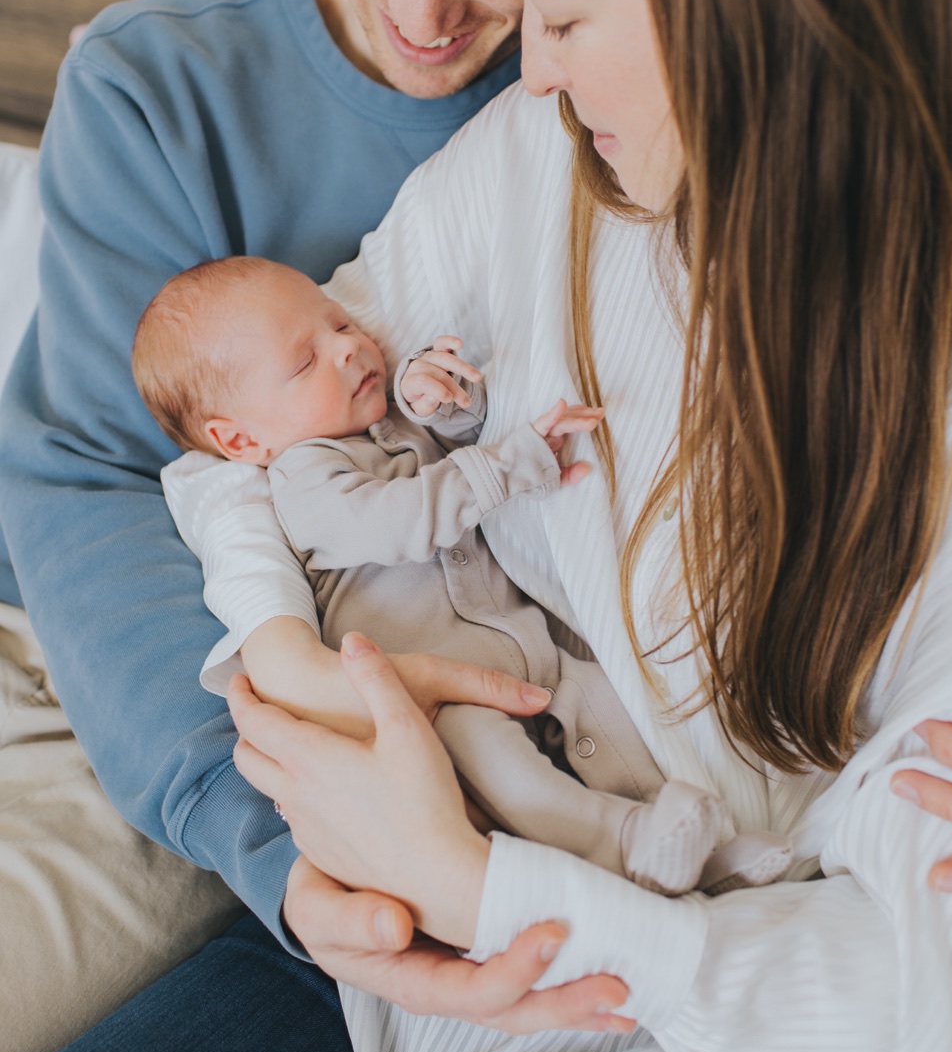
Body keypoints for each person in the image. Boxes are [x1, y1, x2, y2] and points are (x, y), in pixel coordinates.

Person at [139, 0, 952, 1052]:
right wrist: (271, 638)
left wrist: (473, 883)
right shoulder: (525, 171)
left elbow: (923, 991)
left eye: (562, 11)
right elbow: (248, 440)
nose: (517, 64)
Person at [0, 0, 552, 1052]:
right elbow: (80, 478)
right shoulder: (155, 83)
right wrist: (269, 835)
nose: (428, 10)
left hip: (406, 713)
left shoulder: (607, 97)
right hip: (109, 679)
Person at [132, 256, 787, 896]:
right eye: (304, 362)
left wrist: (448, 407)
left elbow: (467, 442)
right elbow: (398, 519)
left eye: (340, 324)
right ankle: (621, 843)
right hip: (439, 695)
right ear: (242, 442)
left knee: (607, 707)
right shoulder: (301, 483)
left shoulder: (388, 418)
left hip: (529, 643)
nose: (346, 350)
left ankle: (691, 846)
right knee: (508, 774)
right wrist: (505, 464)